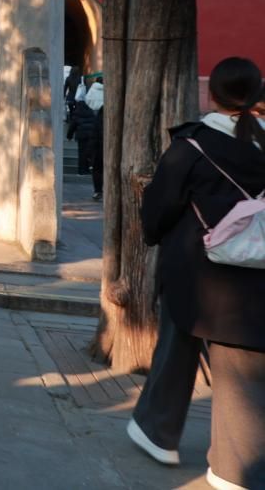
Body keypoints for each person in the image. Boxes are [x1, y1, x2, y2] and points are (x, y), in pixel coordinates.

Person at [128, 57, 265, 490]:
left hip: (196, 274)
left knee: (182, 346)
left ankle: (214, 460)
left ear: (212, 93)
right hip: (257, 276)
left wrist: (153, 233)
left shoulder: (192, 146)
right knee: (242, 365)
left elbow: (159, 209)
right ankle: (174, 438)